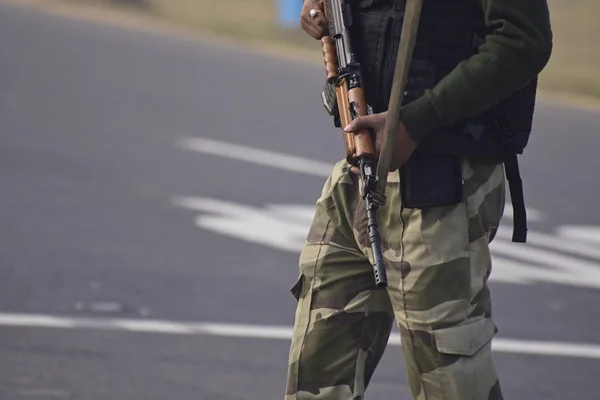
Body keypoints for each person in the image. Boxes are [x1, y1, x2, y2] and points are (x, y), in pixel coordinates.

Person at [284, 0, 553, 399]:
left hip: (442, 182)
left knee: (450, 381)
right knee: (315, 377)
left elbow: (523, 40)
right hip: (359, 168)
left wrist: (416, 120)